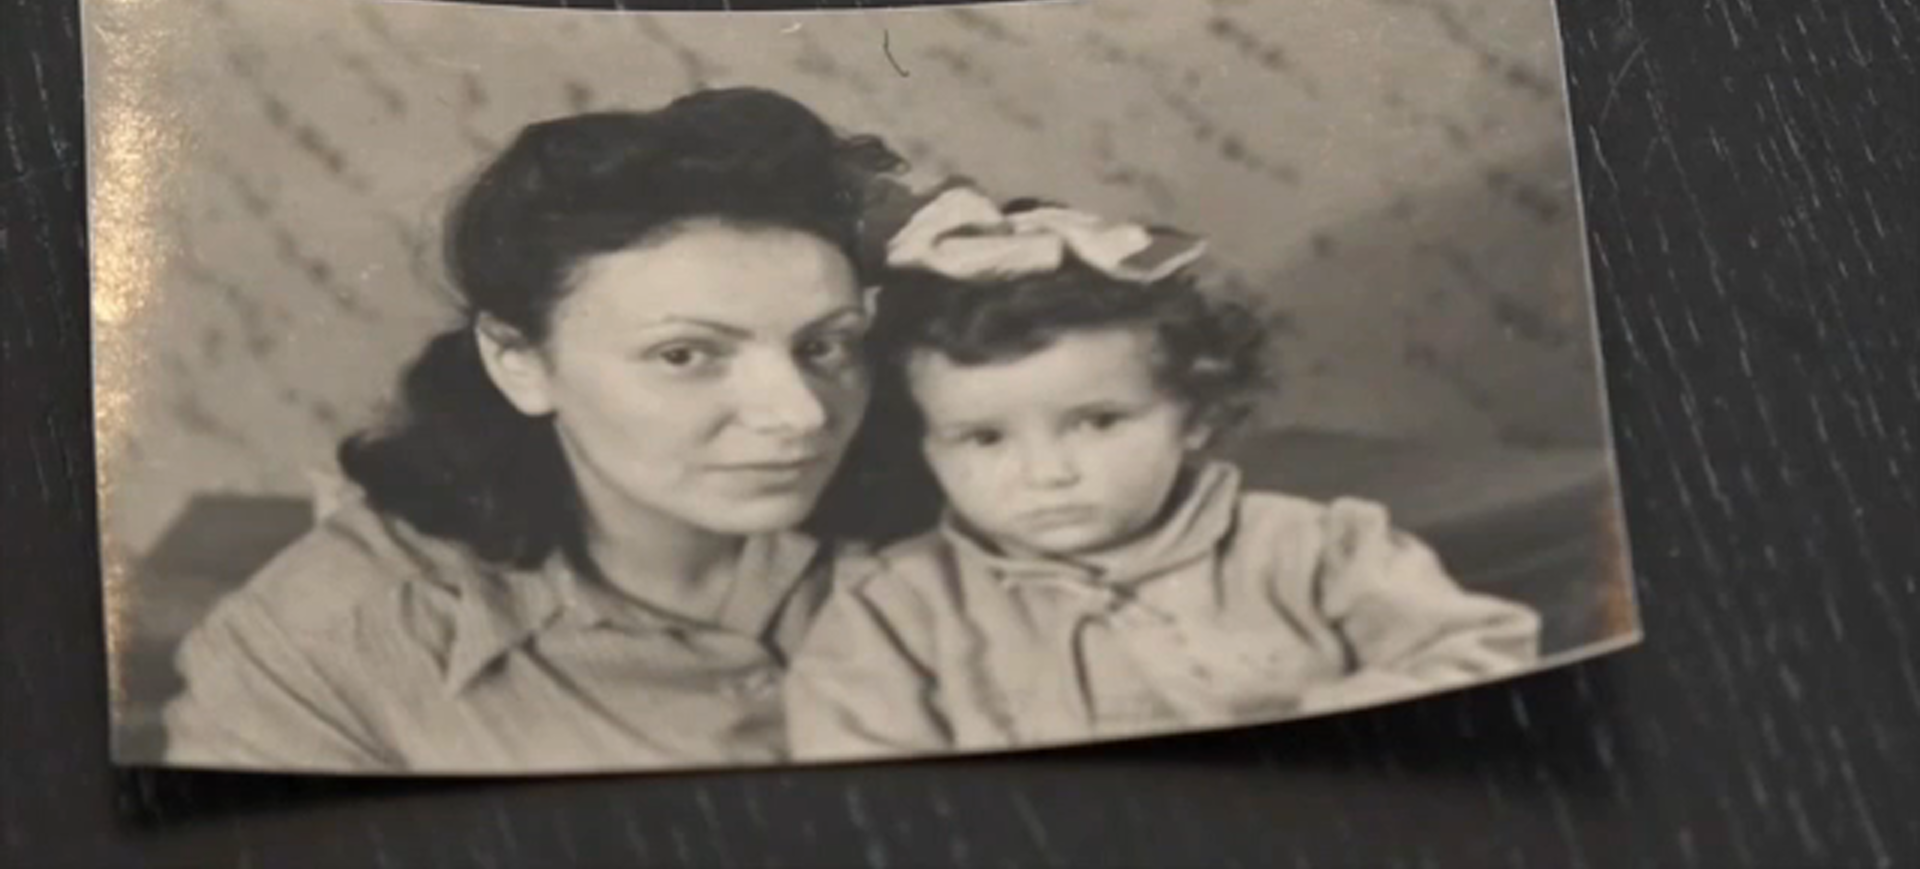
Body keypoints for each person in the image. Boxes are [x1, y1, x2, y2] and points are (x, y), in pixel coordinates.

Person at [162, 88, 930, 773]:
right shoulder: (322, 647)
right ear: (518, 361)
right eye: (685, 354)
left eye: (824, 345)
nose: (800, 413)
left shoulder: (977, 511)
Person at [784, 188, 1543, 759]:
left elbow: (1478, 657)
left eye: (1099, 422)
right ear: (925, 444)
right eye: (983, 438)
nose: (1047, 474)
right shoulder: (891, 613)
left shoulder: (1317, 547)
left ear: (1197, 415)